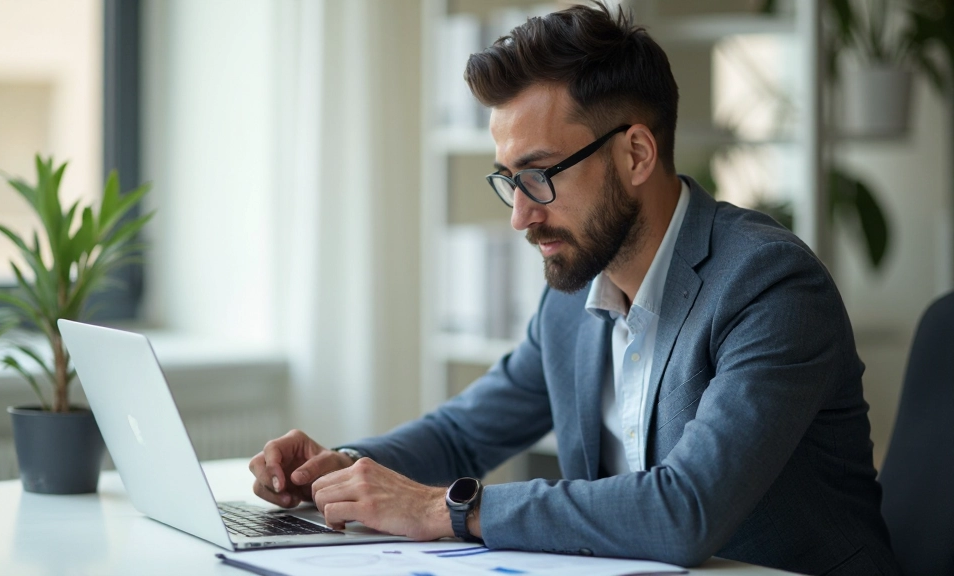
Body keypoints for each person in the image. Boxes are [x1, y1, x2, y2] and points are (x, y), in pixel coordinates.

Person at [249, 4, 900, 574]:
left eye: (539, 174)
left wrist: (440, 509)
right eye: (508, 179)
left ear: (636, 154)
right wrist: (340, 470)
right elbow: (461, 436)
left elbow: (686, 509)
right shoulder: (571, 295)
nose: (519, 216)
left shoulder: (769, 287)